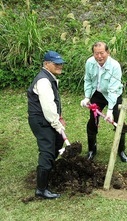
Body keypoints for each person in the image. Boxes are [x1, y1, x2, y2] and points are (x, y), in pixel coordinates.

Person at [80, 41, 127, 162]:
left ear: (108, 52)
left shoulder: (115, 66)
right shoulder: (90, 62)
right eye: (96, 54)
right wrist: (87, 97)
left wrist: (111, 110)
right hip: (97, 94)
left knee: (118, 121)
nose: (99, 57)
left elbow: (112, 89)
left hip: (114, 94)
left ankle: (121, 150)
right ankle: (92, 150)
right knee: (93, 120)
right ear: (93, 54)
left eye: (102, 53)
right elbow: (88, 80)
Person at [27, 51, 66, 199]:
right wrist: (56, 124)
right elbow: (48, 107)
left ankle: (49, 170)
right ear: (46, 64)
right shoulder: (43, 81)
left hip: (47, 118)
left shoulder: (49, 78)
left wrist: (59, 117)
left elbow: (52, 105)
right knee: (47, 150)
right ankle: (41, 189)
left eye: (60, 63)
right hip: (41, 121)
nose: (59, 66)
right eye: (56, 64)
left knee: (58, 141)